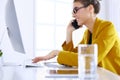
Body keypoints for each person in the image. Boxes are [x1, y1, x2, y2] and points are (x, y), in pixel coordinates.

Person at [32, 0, 120, 75]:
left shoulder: (108, 28)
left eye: (75, 10)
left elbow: (90, 60)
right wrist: (69, 32)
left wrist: (57, 53)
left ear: (90, 8)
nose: (73, 15)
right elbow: (72, 58)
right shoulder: (87, 33)